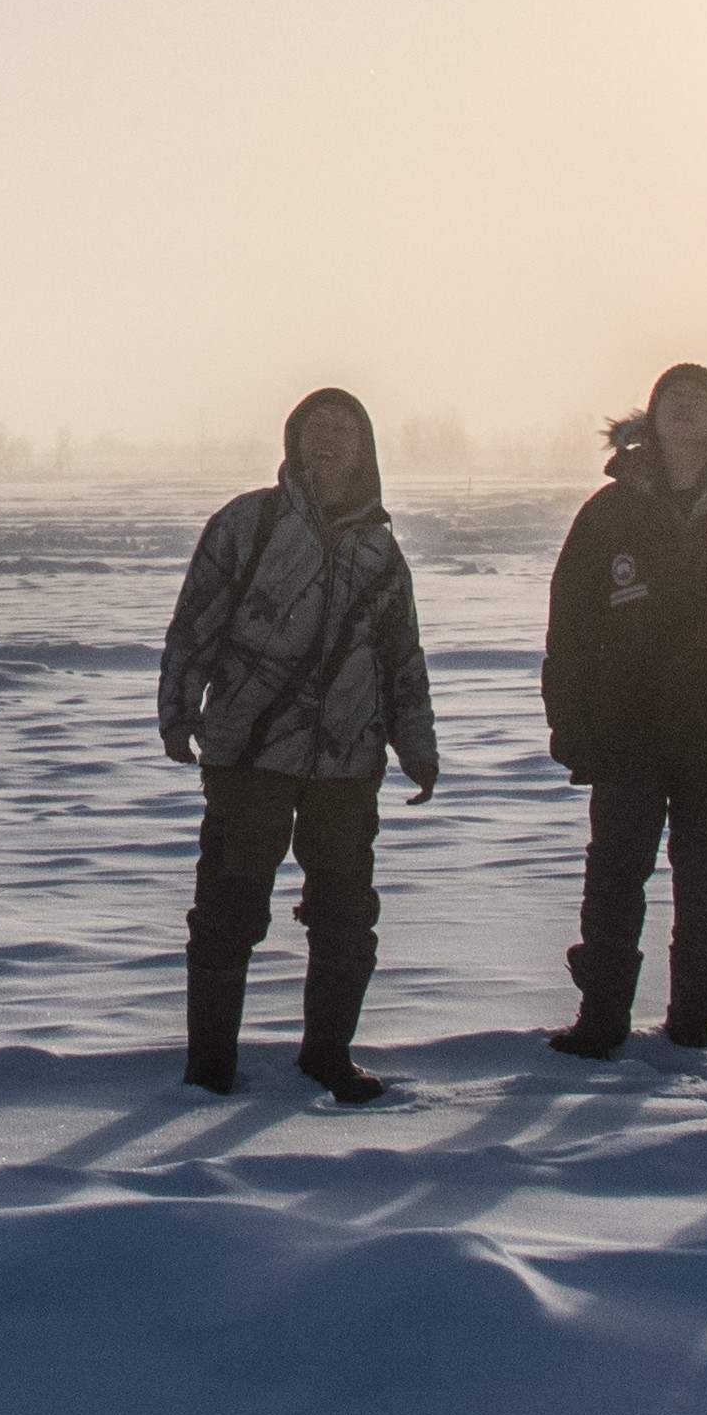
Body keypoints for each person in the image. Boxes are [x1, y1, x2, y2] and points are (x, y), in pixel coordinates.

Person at [156, 388, 442, 1105]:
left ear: (364, 449)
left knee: (345, 911)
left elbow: (402, 655)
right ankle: (209, 1065)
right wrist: (176, 709)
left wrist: (416, 742)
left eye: (344, 430)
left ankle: (327, 1057)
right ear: (293, 440)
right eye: (316, 427)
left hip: (346, 761)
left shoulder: (379, 548)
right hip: (250, 752)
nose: (329, 440)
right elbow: (194, 623)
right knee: (228, 905)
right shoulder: (247, 524)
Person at [538, 362, 707, 1057]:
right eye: (673, 397)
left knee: (706, 876)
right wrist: (570, 722)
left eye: (700, 398)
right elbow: (568, 625)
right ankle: (601, 1017)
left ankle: (696, 1017)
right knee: (613, 873)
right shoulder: (609, 512)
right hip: (625, 730)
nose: (685, 407)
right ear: (651, 417)